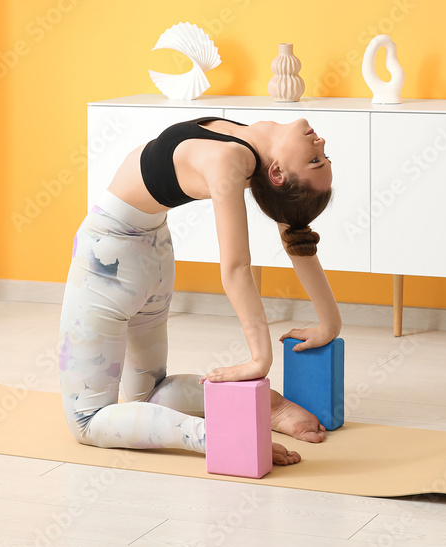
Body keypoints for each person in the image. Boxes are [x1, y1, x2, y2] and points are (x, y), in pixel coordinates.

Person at [57, 116, 342, 466]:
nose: (321, 144)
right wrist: (330, 323)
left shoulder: (231, 161)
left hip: (106, 262)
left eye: (316, 160)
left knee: (86, 421)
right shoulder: (259, 147)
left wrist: (260, 360)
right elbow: (294, 230)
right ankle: (267, 407)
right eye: (323, 158)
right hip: (153, 258)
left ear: (278, 174)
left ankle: (223, 436)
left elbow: (236, 268)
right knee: (148, 394)